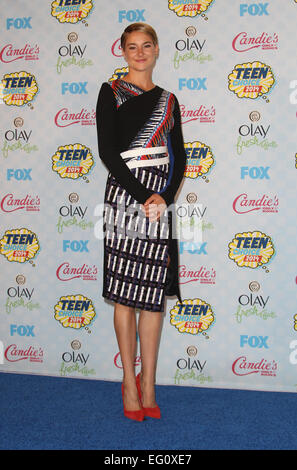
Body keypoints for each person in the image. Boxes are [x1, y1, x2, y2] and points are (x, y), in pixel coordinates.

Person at [96, 23, 186, 421]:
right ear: (122, 51)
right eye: (132, 47)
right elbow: (108, 152)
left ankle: (149, 382)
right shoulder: (111, 92)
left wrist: (162, 198)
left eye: (146, 45)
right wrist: (141, 196)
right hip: (124, 197)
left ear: (156, 49)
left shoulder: (169, 100)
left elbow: (179, 157)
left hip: (157, 198)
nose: (139, 52)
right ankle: (128, 384)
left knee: (151, 294)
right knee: (124, 292)